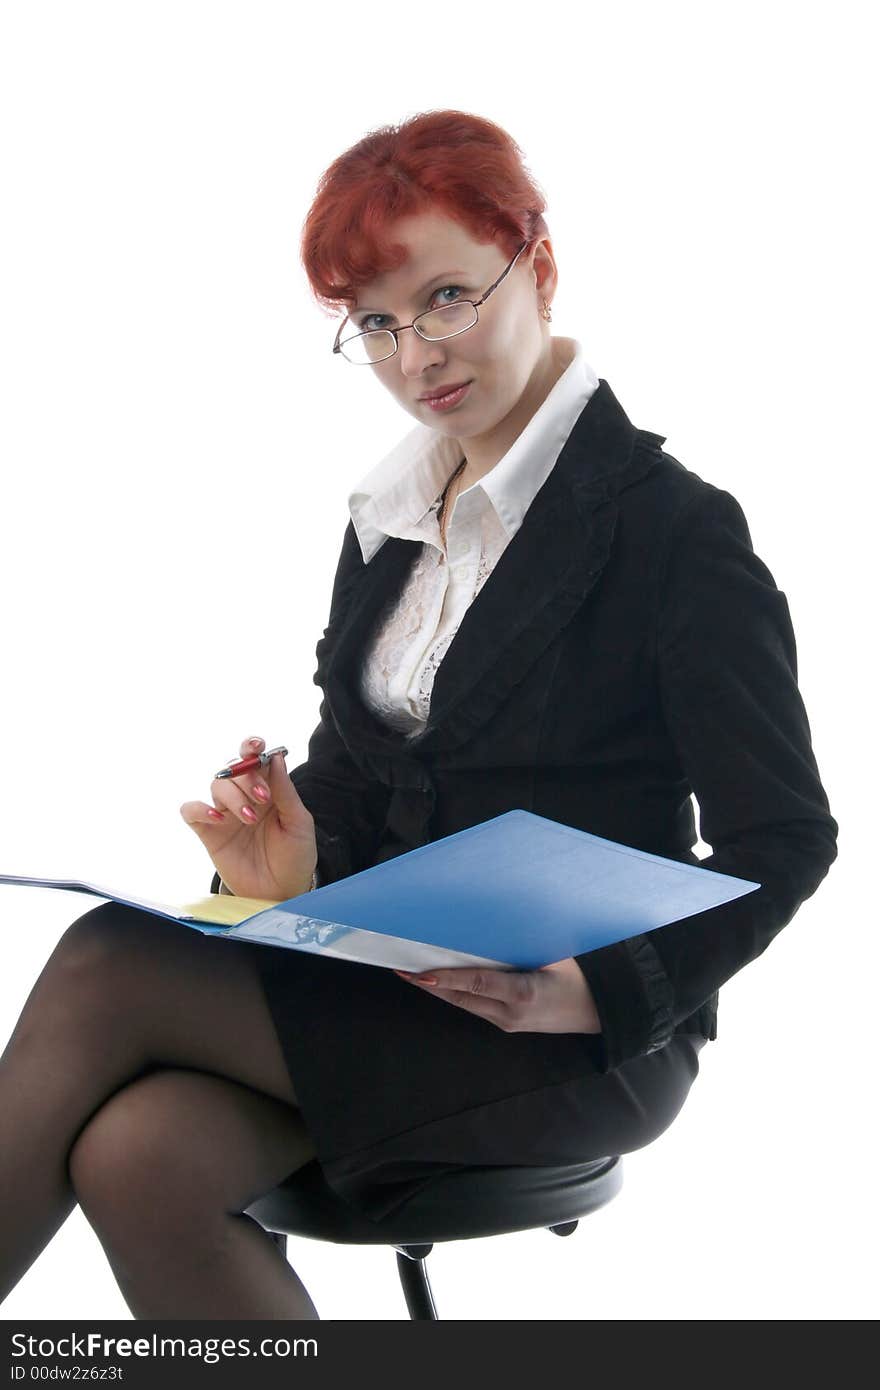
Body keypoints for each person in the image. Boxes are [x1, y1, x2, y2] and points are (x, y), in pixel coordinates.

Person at [0, 109, 838, 1321]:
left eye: (447, 296)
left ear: (535, 265)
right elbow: (362, 773)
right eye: (379, 325)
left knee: (107, 967)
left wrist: (597, 987)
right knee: (144, 1149)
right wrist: (291, 860)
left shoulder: (673, 531)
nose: (415, 356)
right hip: (398, 990)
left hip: (569, 1030)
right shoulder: (390, 520)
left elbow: (784, 839)